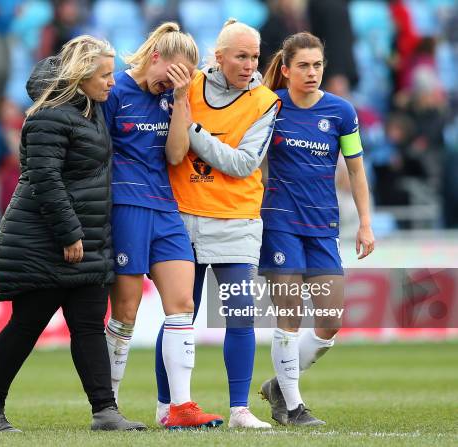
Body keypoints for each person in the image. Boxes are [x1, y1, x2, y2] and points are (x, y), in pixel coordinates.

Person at [0, 35, 145, 432]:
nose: (111, 82)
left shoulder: (93, 109)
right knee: (27, 325)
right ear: (80, 76)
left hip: (88, 241)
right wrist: (69, 233)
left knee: (88, 325)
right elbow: (44, 179)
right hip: (43, 241)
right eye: (103, 74)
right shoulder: (48, 115)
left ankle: (105, 411)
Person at [154, 19, 280, 429]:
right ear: (219, 57)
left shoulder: (265, 102)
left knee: (241, 316)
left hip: (236, 219)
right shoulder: (187, 84)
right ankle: (166, 406)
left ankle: (240, 409)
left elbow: (243, 164)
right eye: (241, 56)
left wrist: (190, 129)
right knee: (178, 318)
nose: (249, 64)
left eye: (255, 57)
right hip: (183, 215)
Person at [101, 22, 222, 429]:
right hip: (126, 205)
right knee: (126, 311)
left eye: (184, 78)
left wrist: (183, 96)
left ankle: (179, 407)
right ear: (156, 57)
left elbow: (175, 156)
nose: (171, 84)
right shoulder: (114, 91)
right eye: (172, 74)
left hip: (166, 208)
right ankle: (108, 406)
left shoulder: (175, 98)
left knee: (182, 304)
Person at [258, 32, 375, 426]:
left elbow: (356, 171)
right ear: (287, 69)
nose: (312, 73)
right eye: (304, 66)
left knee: (329, 323)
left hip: (323, 225)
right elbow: (251, 162)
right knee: (288, 316)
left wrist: (365, 224)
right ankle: (293, 408)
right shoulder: (269, 106)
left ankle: (279, 385)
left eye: (318, 65)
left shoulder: (342, 112)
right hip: (279, 222)